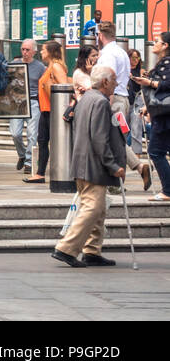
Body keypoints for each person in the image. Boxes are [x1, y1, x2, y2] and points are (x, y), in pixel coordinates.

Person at [52, 66, 124, 267]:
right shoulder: (100, 102)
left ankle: (92, 250)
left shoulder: (85, 99)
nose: (116, 84)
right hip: (93, 165)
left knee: (98, 209)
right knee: (92, 208)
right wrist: (113, 165)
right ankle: (66, 248)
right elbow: (99, 138)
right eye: (114, 80)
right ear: (105, 82)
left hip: (82, 162)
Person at [97, 20, 151, 189]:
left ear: (100, 36)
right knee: (117, 139)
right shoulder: (120, 52)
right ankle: (136, 169)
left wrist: (107, 101)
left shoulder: (108, 54)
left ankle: (119, 181)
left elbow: (108, 78)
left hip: (114, 101)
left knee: (113, 140)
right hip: (122, 100)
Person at [25, 40, 71, 184]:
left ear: (50, 52)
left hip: (53, 111)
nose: (41, 52)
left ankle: (58, 173)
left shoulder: (56, 67)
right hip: (45, 109)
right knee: (42, 141)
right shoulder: (49, 66)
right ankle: (40, 174)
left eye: (43, 50)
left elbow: (64, 88)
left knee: (51, 142)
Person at [133, 32, 170, 202]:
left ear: (165, 46)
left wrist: (150, 83)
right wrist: (148, 109)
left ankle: (168, 190)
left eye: (158, 41)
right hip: (161, 115)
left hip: (164, 118)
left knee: (155, 151)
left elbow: (166, 85)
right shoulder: (162, 63)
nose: (154, 43)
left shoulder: (167, 63)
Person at [12, 39, 45, 176]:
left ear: (34, 51)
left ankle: (29, 162)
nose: (24, 52)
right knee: (15, 133)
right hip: (17, 102)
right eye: (23, 49)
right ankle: (22, 154)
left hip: (33, 102)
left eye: (27, 50)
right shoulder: (14, 64)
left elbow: (43, 85)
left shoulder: (40, 67)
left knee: (32, 134)